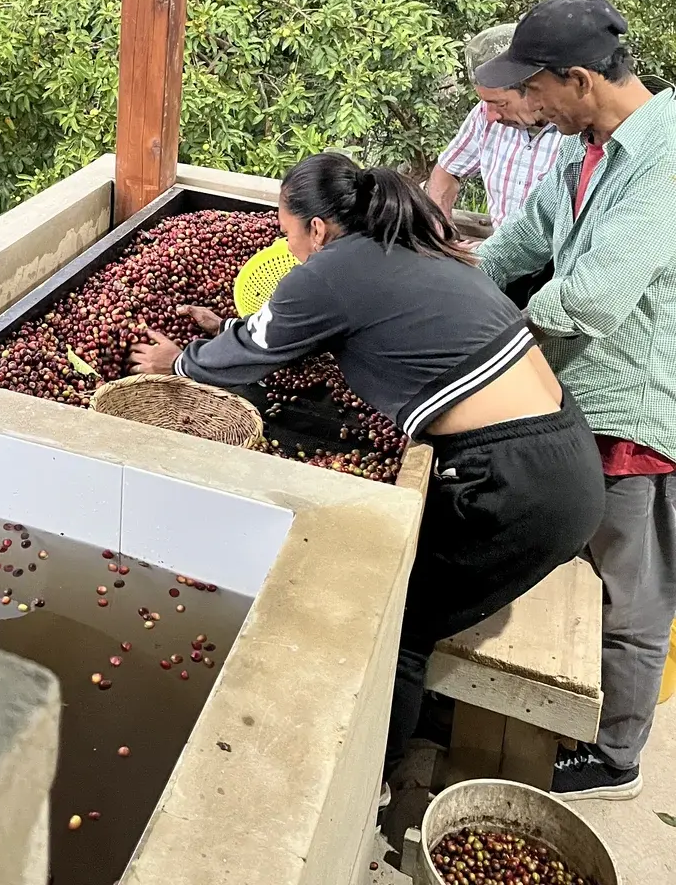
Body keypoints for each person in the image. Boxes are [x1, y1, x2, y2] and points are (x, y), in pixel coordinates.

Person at [129, 152, 606, 786]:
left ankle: (364, 782)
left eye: (287, 230)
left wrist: (177, 363)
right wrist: (231, 326)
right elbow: (301, 330)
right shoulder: (414, 247)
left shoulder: (327, 273)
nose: (286, 244)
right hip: (565, 458)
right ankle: (419, 722)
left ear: (317, 230)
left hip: (515, 487)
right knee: (423, 596)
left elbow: (251, 352)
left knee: (396, 626)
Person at [475, 0, 676, 802]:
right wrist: (462, 292)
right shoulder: (583, 145)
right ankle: (560, 713)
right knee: (569, 563)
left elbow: (591, 296)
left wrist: (510, 328)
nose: (528, 104)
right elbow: (522, 239)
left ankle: (616, 758)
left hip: (636, 410)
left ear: (581, 79)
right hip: (576, 397)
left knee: (633, 594)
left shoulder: (664, 160)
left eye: (536, 88)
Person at [428, 24, 561, 227]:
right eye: (485, 102)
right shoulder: (485, 114)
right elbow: (447, 170)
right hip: (496, 250)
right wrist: (439, 228)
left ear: (534, 89)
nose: (490, 116)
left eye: (500, 104)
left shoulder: (578, 133)